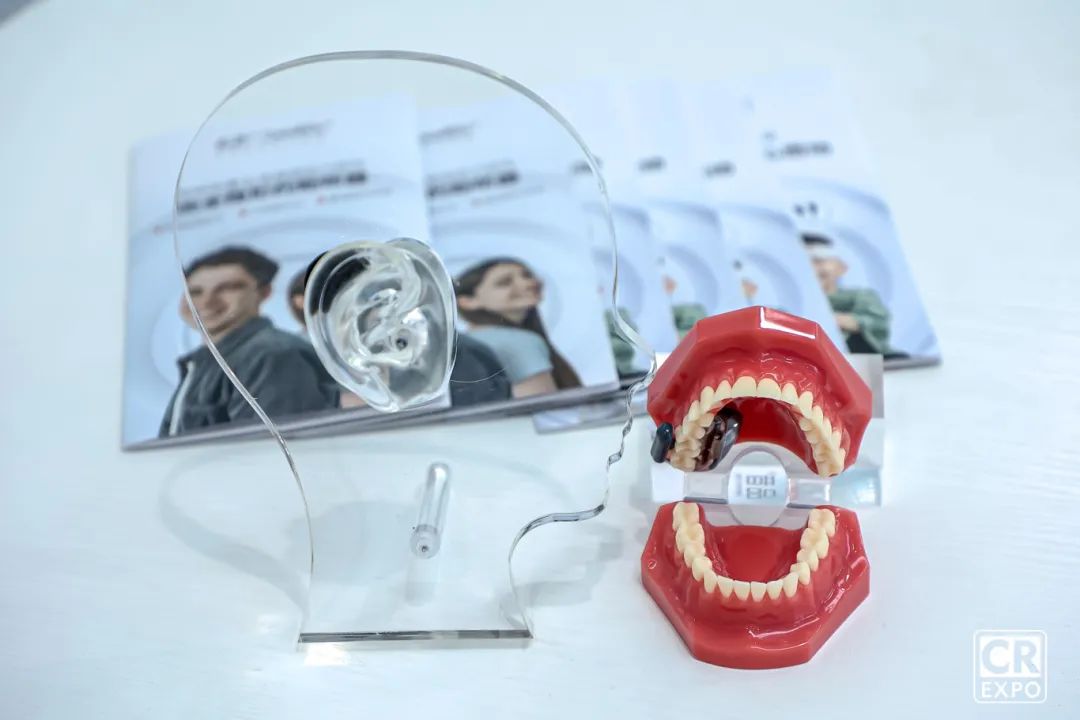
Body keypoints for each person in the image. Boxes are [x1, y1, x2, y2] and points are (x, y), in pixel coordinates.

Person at [159, 246, 338, 437]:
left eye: (227, 288)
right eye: (195, 292)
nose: (207, 301)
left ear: (264, 292)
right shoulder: (203, 362)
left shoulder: (272, 356)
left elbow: (267, 448)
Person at [454, 258, 582, 398]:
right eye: (504, 282)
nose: (528, 283)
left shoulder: (461, 344)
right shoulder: (520, 342)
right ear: (467, 301)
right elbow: (542, 406)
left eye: (527, 275)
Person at [801, 233, 904, 358]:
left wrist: (838, 321)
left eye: (819, 261)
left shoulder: (861, 297)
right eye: (806, 262)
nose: (813, 269)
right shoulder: (795, 306)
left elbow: (876, 322)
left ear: (841, 267)